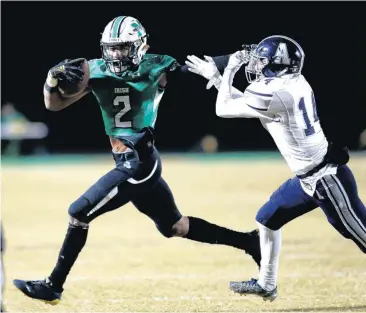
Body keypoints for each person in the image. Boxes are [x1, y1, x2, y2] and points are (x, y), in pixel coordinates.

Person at [12, 16, 261, 305]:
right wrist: (50, 80)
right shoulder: (94, 70)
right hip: (131, 162)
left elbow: (193, 70)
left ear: (141, 46)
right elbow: (53, 104)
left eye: (123, 48)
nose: (116, 55)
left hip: (138, 163)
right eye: (112, 48)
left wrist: (238, 58)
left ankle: (53, 286)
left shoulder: (156, 66)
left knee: (78, 212)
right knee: (175, 227)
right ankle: (250, 242)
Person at [185, 35, 366, 301]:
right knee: (267, 219)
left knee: (362, 235)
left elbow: (223, 109)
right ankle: (266, 284)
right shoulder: (288, 84)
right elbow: (240, 104)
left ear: (278, 64)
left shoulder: (278, 91)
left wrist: (228, 69)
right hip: (308, 178)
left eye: (262, 60)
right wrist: (215, 77)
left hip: (326, 180)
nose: (257, 65)